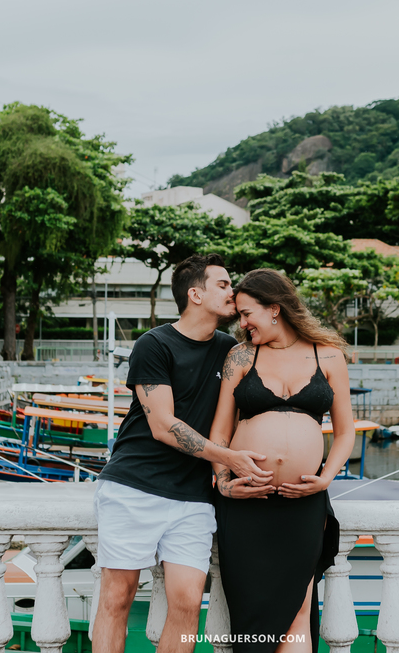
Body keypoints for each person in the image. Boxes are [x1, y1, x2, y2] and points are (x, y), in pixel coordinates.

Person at [92, 254, 273, 653]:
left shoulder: (231, 350)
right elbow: (163, 425)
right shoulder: (154, 344)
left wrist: (227, 476)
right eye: (223, 285)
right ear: (195, 294)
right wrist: (230, 459)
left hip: (193, 496)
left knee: (189, 604)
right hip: (134, 486)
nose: (233, 291)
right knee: (117, 597)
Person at [209, 268, 356, 653]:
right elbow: (220, 432)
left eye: (247, 314)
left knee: (298, 608)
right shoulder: (241, 355)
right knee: (251, 613)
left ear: (274, 308)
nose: (241, 323)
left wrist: (326, 479)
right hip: (246, 503)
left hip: (302, 503)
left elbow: (345, 432)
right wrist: (224, 482)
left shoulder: (328, 355)